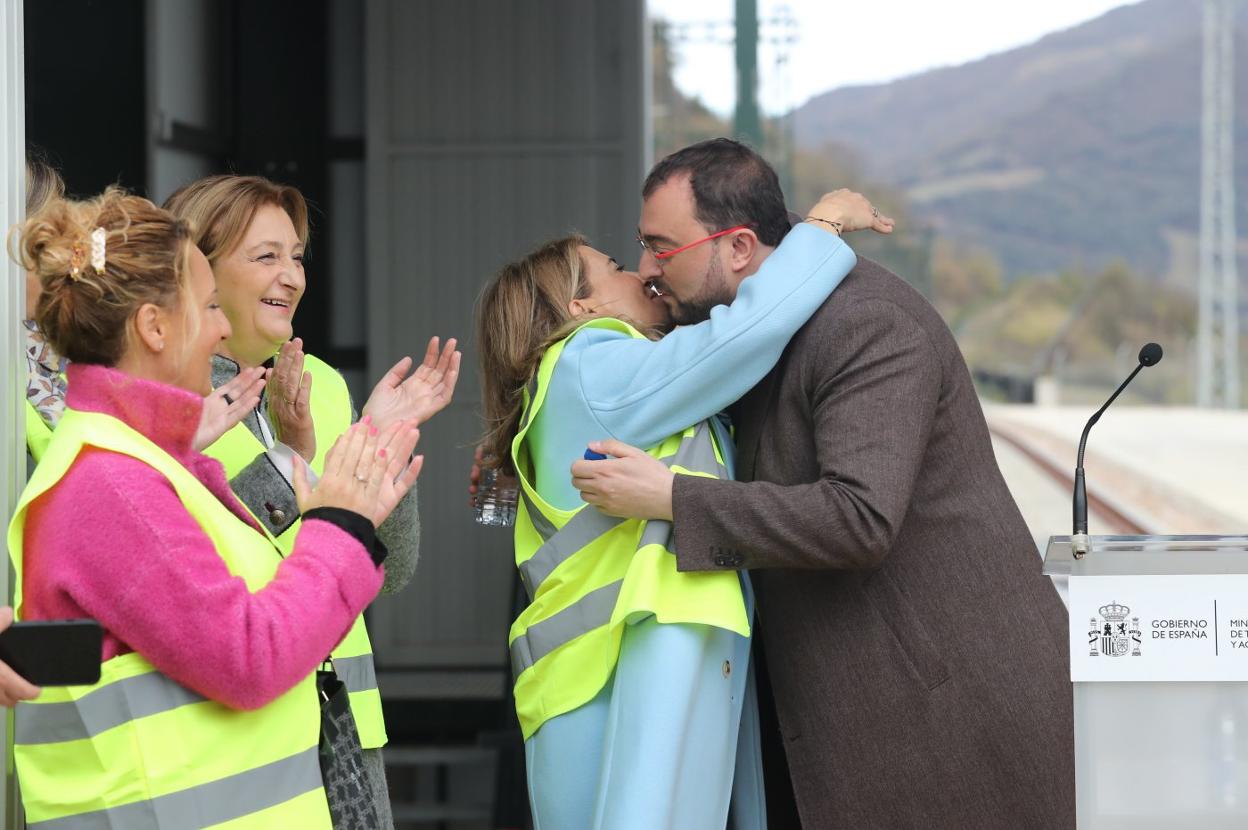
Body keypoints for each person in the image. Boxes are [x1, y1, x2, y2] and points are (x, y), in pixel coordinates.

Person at [571, 138, 1076, 828]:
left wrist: (672, 499)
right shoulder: (744, 335)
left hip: (940, 717)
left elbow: (859, 518)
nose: (646, 269)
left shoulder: (866, 324)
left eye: (663, 248)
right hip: (854, 712)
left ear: (740, 247)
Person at [474, 188, 889, 828]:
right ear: (580, 306)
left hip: (594, 675)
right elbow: (740, 338)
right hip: (619, 666)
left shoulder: (584, 385)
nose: (641, 272)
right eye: (616, 265)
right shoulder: (591, 363)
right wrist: (823, 228)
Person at [8, 188, 423, 827]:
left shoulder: (143, 466)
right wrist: (338, 523)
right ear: (154, 327)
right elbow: (250, 658)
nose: (224, 327)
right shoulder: (114, 484)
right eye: (207, 307)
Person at [164, 173, 459, 826]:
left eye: (297, 256)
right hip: (242, 729)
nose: (292, 277)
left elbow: (391, 569)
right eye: (266, 256)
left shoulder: (321, 380)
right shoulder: (168, 393)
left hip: (346, 720)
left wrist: (378, 438)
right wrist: (298, 466)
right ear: (199, 271)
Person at [23, 158, 267, 468]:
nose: (65, 254)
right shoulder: (37, 372)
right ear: (152, 325)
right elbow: (115, 488)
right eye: (43, 242)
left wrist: (176, 448)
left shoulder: (63, 358)